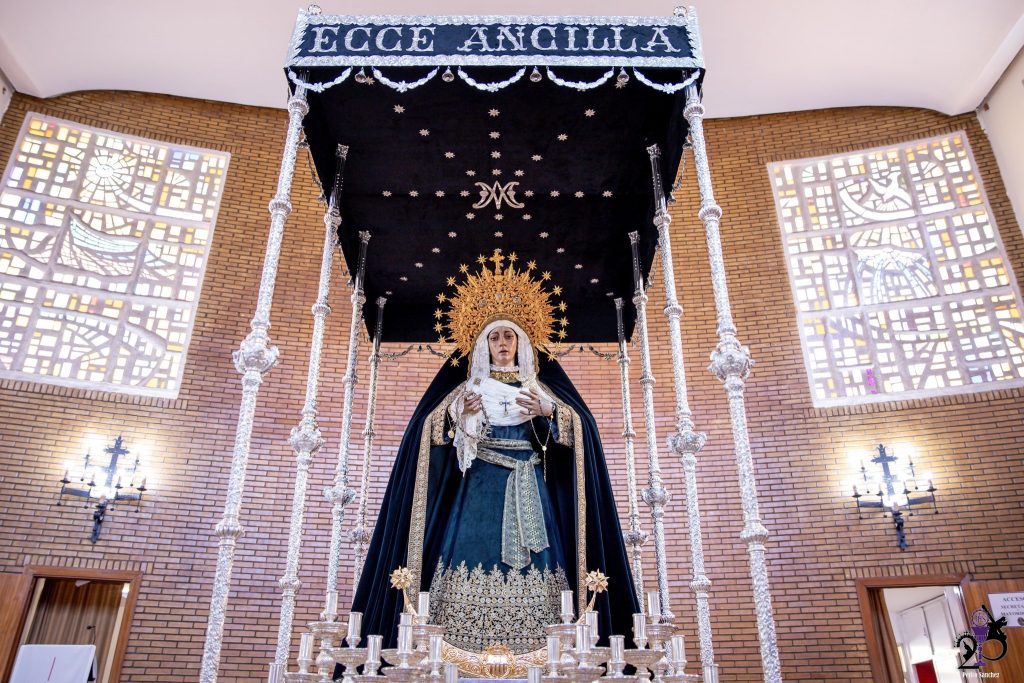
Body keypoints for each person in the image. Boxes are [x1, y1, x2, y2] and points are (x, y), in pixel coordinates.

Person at [349, 252, 639, 664]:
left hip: (529, 484)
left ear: (521, 342)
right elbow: (426, 433)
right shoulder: (467, 385)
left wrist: (549, 411)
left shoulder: (540, 384)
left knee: (539, 564)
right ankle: (456, 648)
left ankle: (546, 647)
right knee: (469, 550)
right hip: (479, 488)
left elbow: (582, 431)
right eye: (495, 337)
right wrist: (459, 414)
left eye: (509, 336)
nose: (502, 344)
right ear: (483, 344)